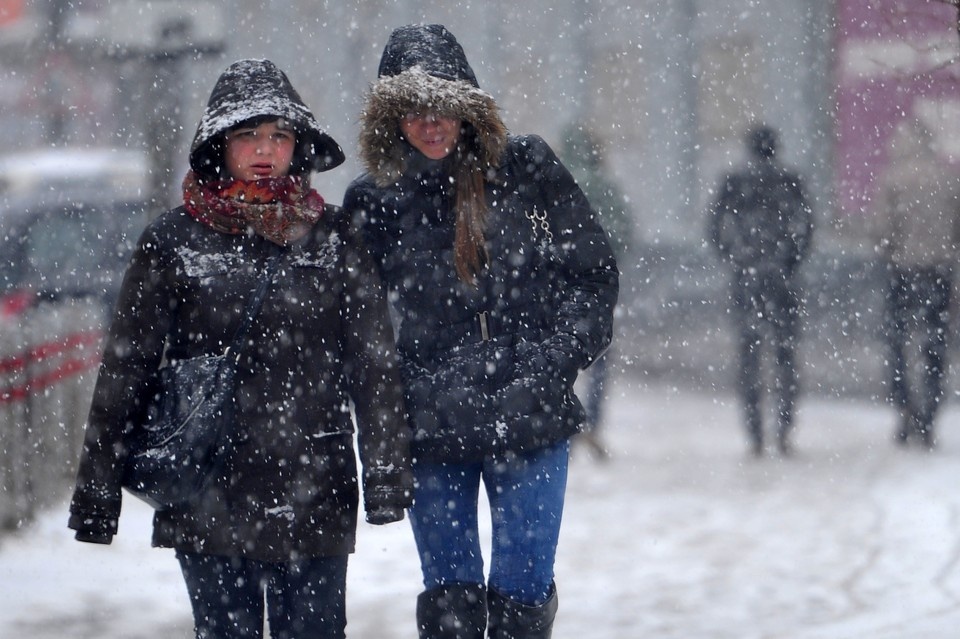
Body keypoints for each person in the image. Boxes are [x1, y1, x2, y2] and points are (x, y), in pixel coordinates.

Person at [67, 59, 413, 639]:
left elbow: (373, 364)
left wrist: (385, 472)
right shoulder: (172, 242)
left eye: (279, 135)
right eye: (248, 134)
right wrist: (98, 489)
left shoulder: (336, 238)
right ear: (218, 146)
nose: (263, 148)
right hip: (209, 487)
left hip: (316, 484)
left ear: (298, 146)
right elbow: (127, 367)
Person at [343, 24, 619, 639]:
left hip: (531, 413)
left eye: (442, 104)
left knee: (523, 601)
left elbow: (592, 275)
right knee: (451, 609)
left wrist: (549, 366)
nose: (430, 122)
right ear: (392, 117)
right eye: (412, 109)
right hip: (432, 421)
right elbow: (354, 322)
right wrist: (402, 396)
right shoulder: (374, 200)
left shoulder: (526, 168)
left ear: (467, 105)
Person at [709, 124, 813, 457]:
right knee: (785, 355)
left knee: (749, 355)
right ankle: (784, 429)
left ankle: (755, 433)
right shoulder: (790, 180)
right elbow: (807, 225)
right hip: (781, 276)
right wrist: (791, 259)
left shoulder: (735, 181)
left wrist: (734, 256)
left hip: (747, 275)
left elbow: (713, 227)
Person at [873, 118, 960, 449]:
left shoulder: (893, 181)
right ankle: (930, 414)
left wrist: (892, 251)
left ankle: (905, 408)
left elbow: (881, 230)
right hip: (939, 271)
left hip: (903, 271)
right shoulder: (948, 180)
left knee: (898, 344)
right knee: (934, 347)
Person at [560, 123, 634, 460]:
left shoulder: (553, 181)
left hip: (558, 285)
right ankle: (592, 423)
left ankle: (566, 420)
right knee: (599, 357)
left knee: (561, 356)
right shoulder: (605, 185)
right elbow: (624, 231)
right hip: (600, 284)